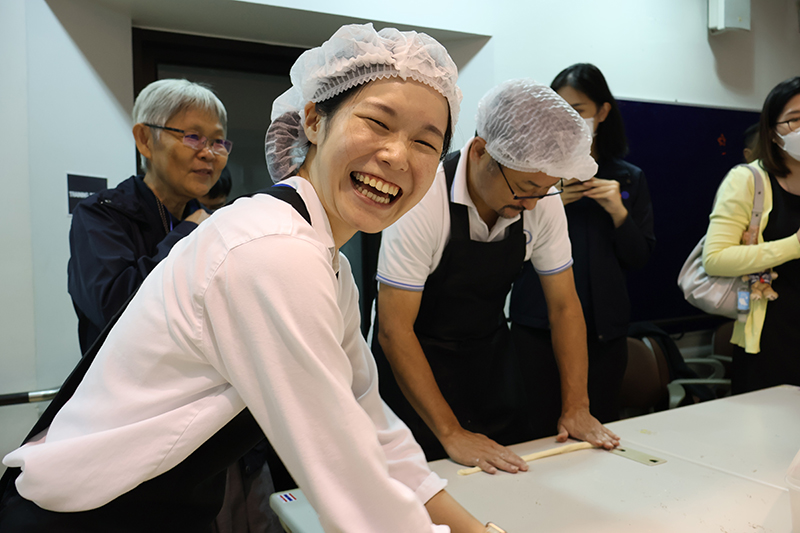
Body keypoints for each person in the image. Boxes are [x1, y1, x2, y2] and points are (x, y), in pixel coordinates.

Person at [0, 23, 498, 533]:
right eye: (376, 121)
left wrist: (478, 530)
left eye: (425, 142)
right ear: (312, 120)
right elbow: (351, 485)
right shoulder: (274, 251)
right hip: (84, 518)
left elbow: (375, 431)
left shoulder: (327, 263)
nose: (397, 155)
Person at [372, 79, 619, 477]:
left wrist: (576, 407)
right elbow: (394, 329)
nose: (532, 204)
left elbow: (564, 306)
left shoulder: (538, 197)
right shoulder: (423, 198)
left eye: (545, 191)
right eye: (523, 190)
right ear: (482, 151)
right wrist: (451, 433)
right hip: (413, 364)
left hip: (488, 358)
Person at [509, 64, 655, 428]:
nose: (567, 118)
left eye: (579, 110)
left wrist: (619, 213)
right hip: (536, 325)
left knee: (598, 422)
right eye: (559, 108)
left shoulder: (628, 177)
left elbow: (639, 257)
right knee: (535, 426)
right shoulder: (534, 172)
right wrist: (551, 198)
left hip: (605, 331)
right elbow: (506, 248)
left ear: (602, 112)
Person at [67, 79, 225, 354]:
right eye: (192, 136)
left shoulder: (210, 222)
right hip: (121, 391)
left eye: (218, 141)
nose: (209, 153)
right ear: (145, 141)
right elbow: (115, 309)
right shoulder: (101, 214)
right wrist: (187, 232)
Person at [703, 76, 800, 394]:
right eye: (795, 119)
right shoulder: (748, 180)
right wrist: (794, 245)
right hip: (771, 338)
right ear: (773, 131)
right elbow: (716, 259)